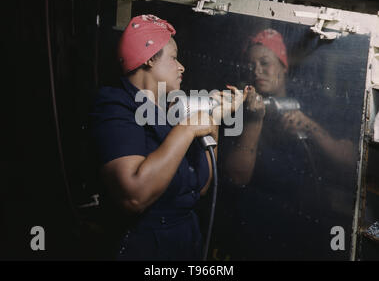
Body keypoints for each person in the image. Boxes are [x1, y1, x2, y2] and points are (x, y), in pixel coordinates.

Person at [89, 14, 241, 261]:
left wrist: (213, 123)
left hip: (185, 240)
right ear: (150, 58)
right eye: (173, 58)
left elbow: (200, 188)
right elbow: (134, 196)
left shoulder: (168, 111)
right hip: (144, 246)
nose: (182, 66)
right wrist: (188, 129)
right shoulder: (115, 107)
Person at [218, 28, 356, 260]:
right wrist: (254, 119)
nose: (257, 71)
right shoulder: (236, 110)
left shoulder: (312, 102)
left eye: (265, 62)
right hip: (255, 230)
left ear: (284, 66)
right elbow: (235, 177)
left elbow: (351, 162)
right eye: (250, 65)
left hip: (304, 229)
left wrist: (310, 128)